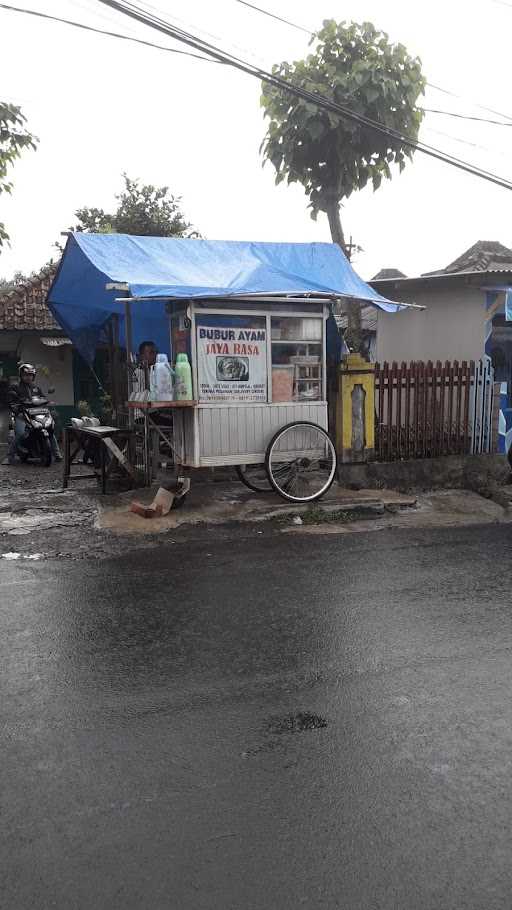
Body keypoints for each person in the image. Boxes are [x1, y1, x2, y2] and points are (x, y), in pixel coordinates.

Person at [8, 364, 62, 463]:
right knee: (21, 433)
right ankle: (10, 456)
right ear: (21, 375)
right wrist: (17, 411)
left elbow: (42, 398)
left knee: (49, 429)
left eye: (31, 375)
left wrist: (48, 402)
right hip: (22, 415)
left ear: (34, 376)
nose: (28, 377)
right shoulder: (15, 387)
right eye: (26, 375)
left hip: (35, 414)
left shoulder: (36, 387)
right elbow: (12, 403)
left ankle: (57, 454)